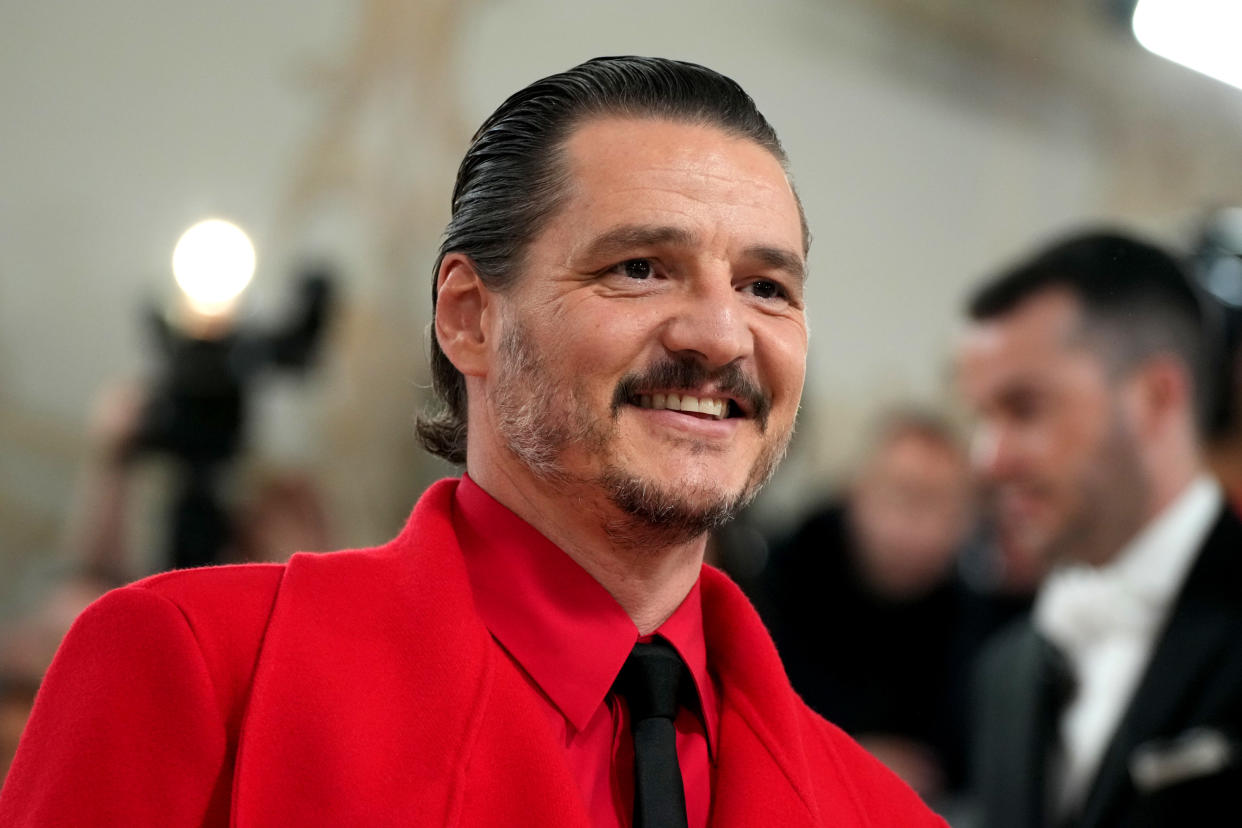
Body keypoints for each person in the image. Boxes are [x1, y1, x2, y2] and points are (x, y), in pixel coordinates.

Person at [0, 57, 944, 827]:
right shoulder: (193, 674)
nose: (722, 334)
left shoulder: (888, 816)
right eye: (641, 268)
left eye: (766, 287)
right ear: (468, 318)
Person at [957, 231, 1242, 828]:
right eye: (983, 416)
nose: (989, 459)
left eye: (1026, 408)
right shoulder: (1003, 673)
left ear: (1156, 399)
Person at [757, 411, 978, 803]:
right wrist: (849, 759)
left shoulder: (977, 612)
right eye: (902, 496)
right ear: (857, 495)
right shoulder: (785, 579)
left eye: (938, 505)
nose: (914, 527)